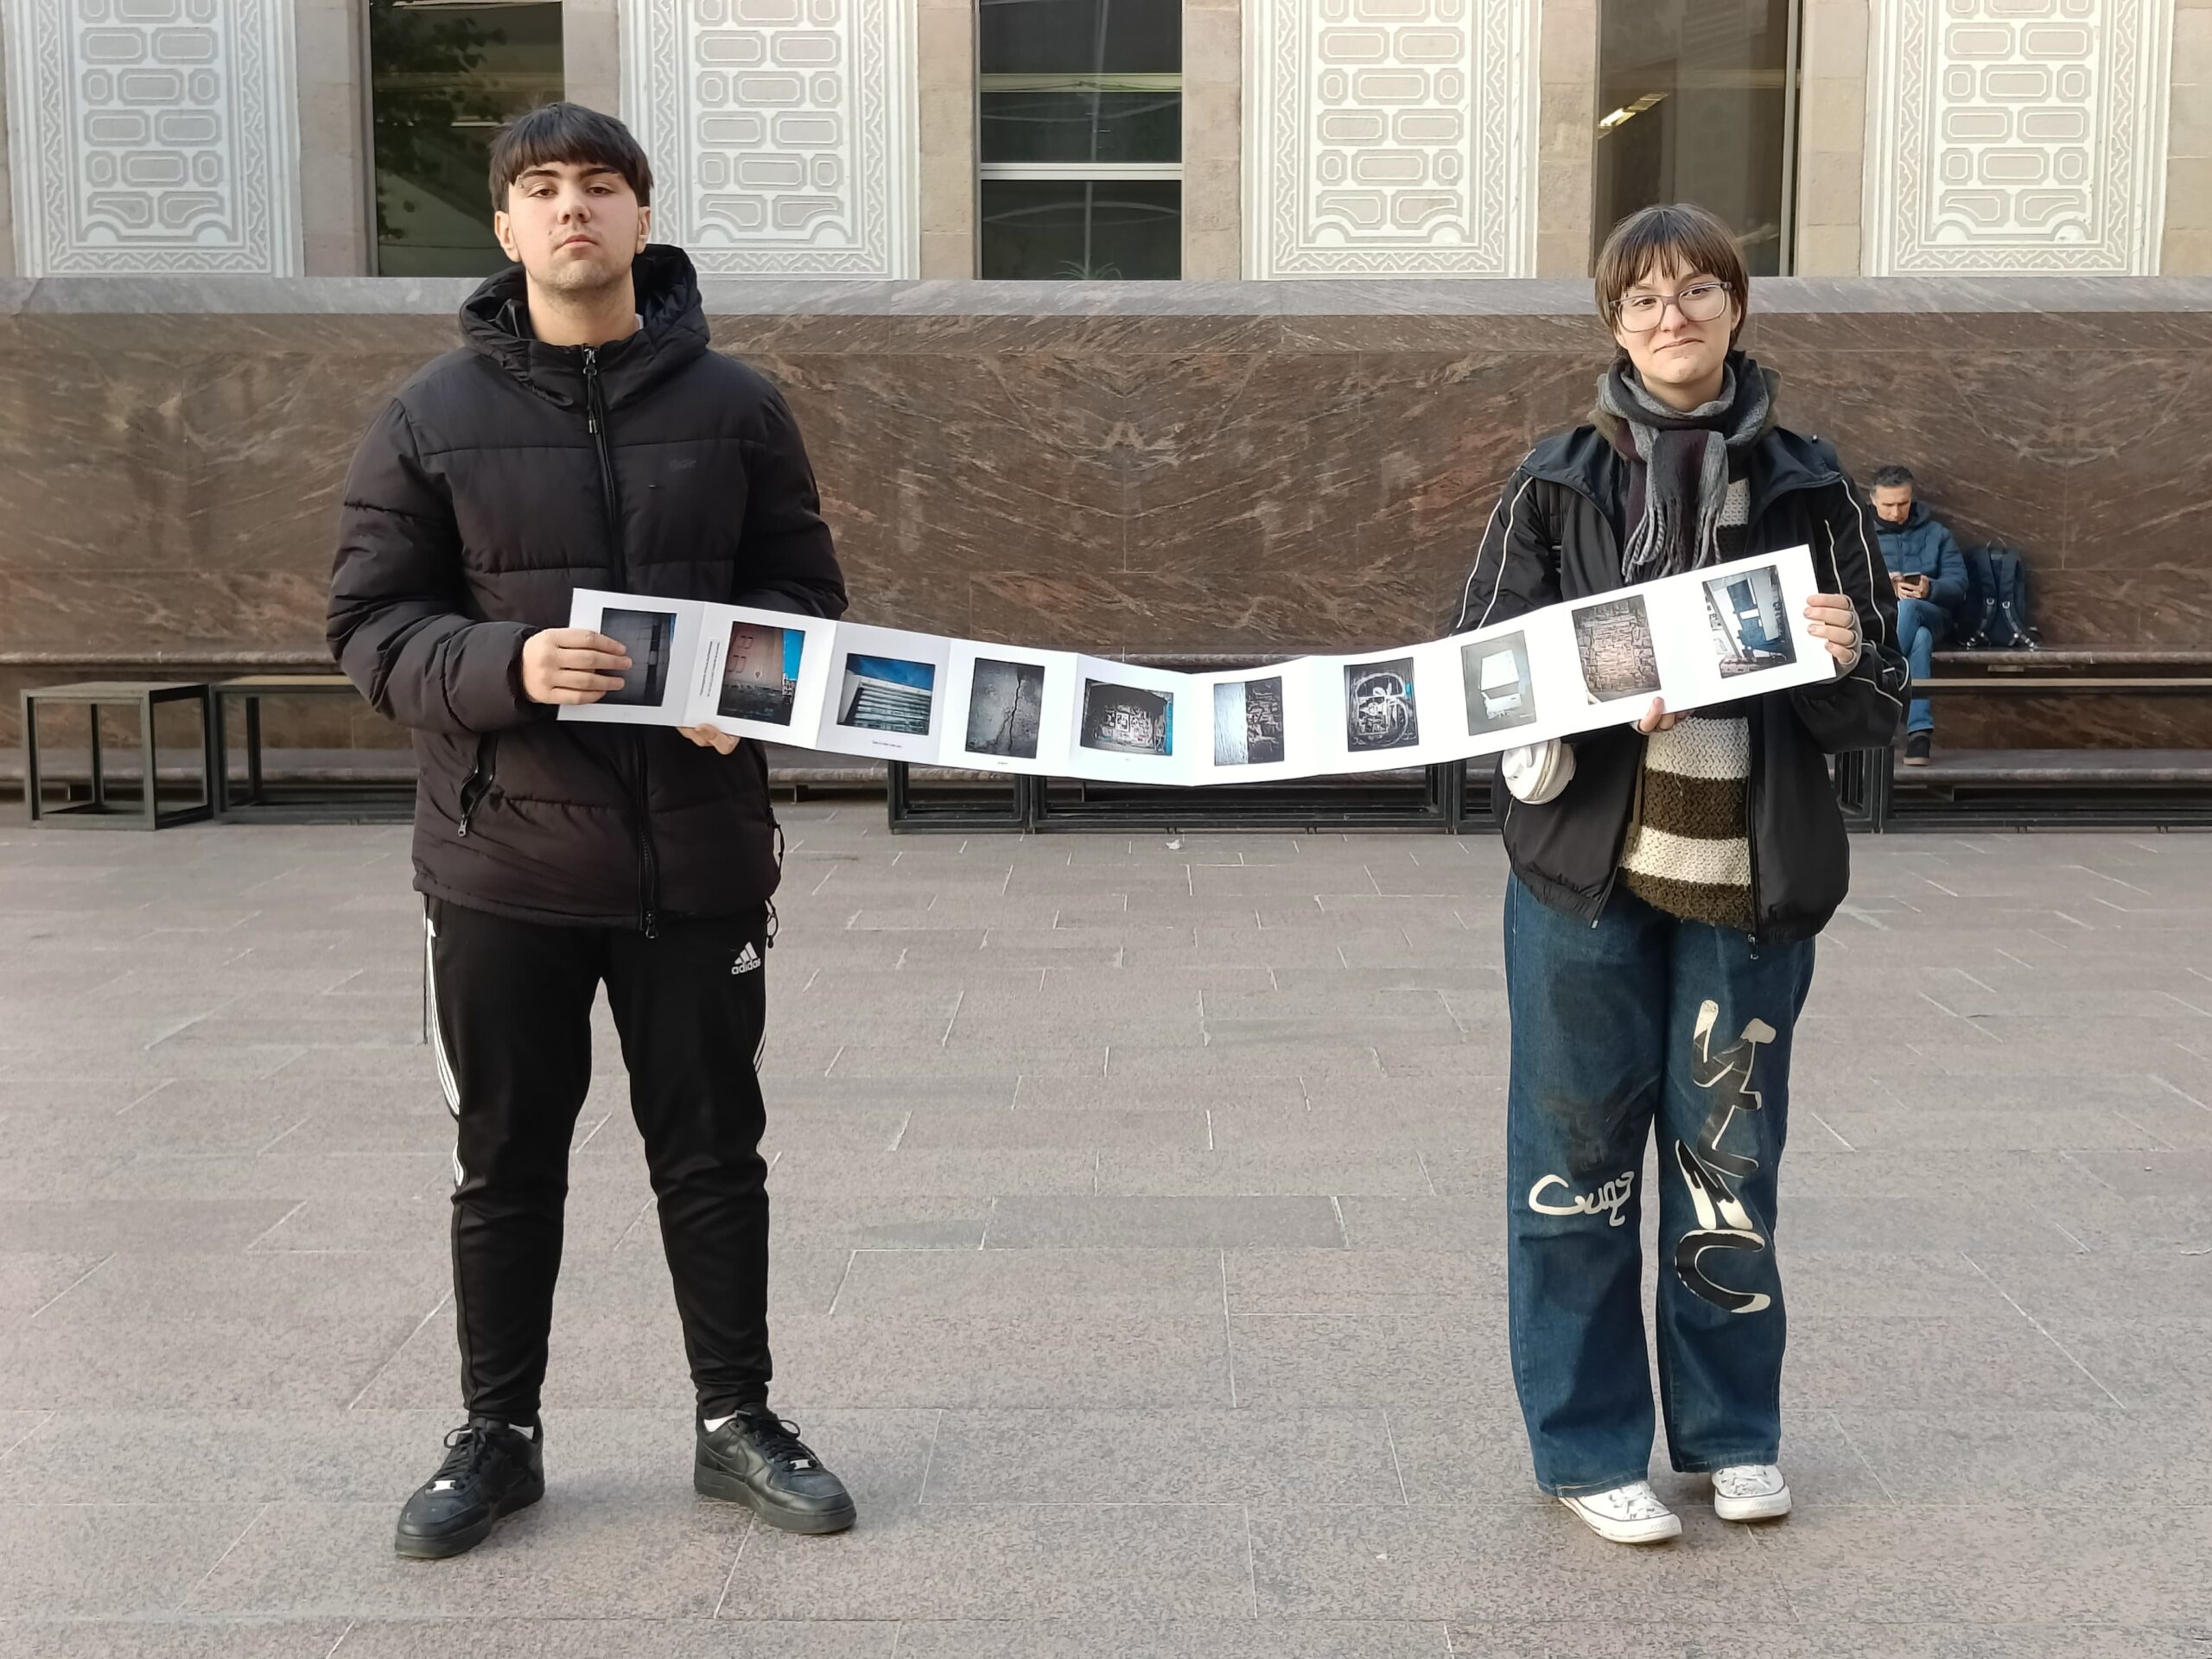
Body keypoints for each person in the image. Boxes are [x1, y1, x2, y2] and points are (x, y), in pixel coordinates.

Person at [329, 103, 855, 1560]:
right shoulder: (429, 417)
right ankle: (496, 1436)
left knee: (714, 1156)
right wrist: (507, 665)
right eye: (544, 188)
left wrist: (748, 688)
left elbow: (808, 598)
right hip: (504, 864)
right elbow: (369, 627)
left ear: (643, 217)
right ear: (506, 226)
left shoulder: (737, 407)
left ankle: (737, 1421)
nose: (574, 209)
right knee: (505, 1163)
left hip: (697, 856)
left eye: (602, 187)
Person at [1454, 203, 1906, 1545]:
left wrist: (1837, 655)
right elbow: (1479, 667)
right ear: (1614, 322)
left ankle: (1730, 1435)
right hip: (1586, 879)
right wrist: (1597, 696)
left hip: (1749, 883)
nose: (1672, 317)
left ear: (1736, 309)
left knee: (1728, 1166)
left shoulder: (1813, 486)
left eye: (1697, 291)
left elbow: (1880, 703)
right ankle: (1590, 1448)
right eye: (1645, 298)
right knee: (1575, 1170)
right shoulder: (1556, 481)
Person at [1868, 464, 1967, 765]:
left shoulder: (1937, 534)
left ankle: (1879, 680)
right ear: (1873, 500)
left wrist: (1930, 588)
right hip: (1880, 618)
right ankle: (1919, 735)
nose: (1896, 512)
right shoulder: (1860, 535)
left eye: (1903, 503)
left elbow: (1960, 585)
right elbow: (1841, 584)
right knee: (1920, 639)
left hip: (1932, 613)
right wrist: (1884, 586)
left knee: (1910, 608)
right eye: (1888, 505)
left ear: (1912, 498)